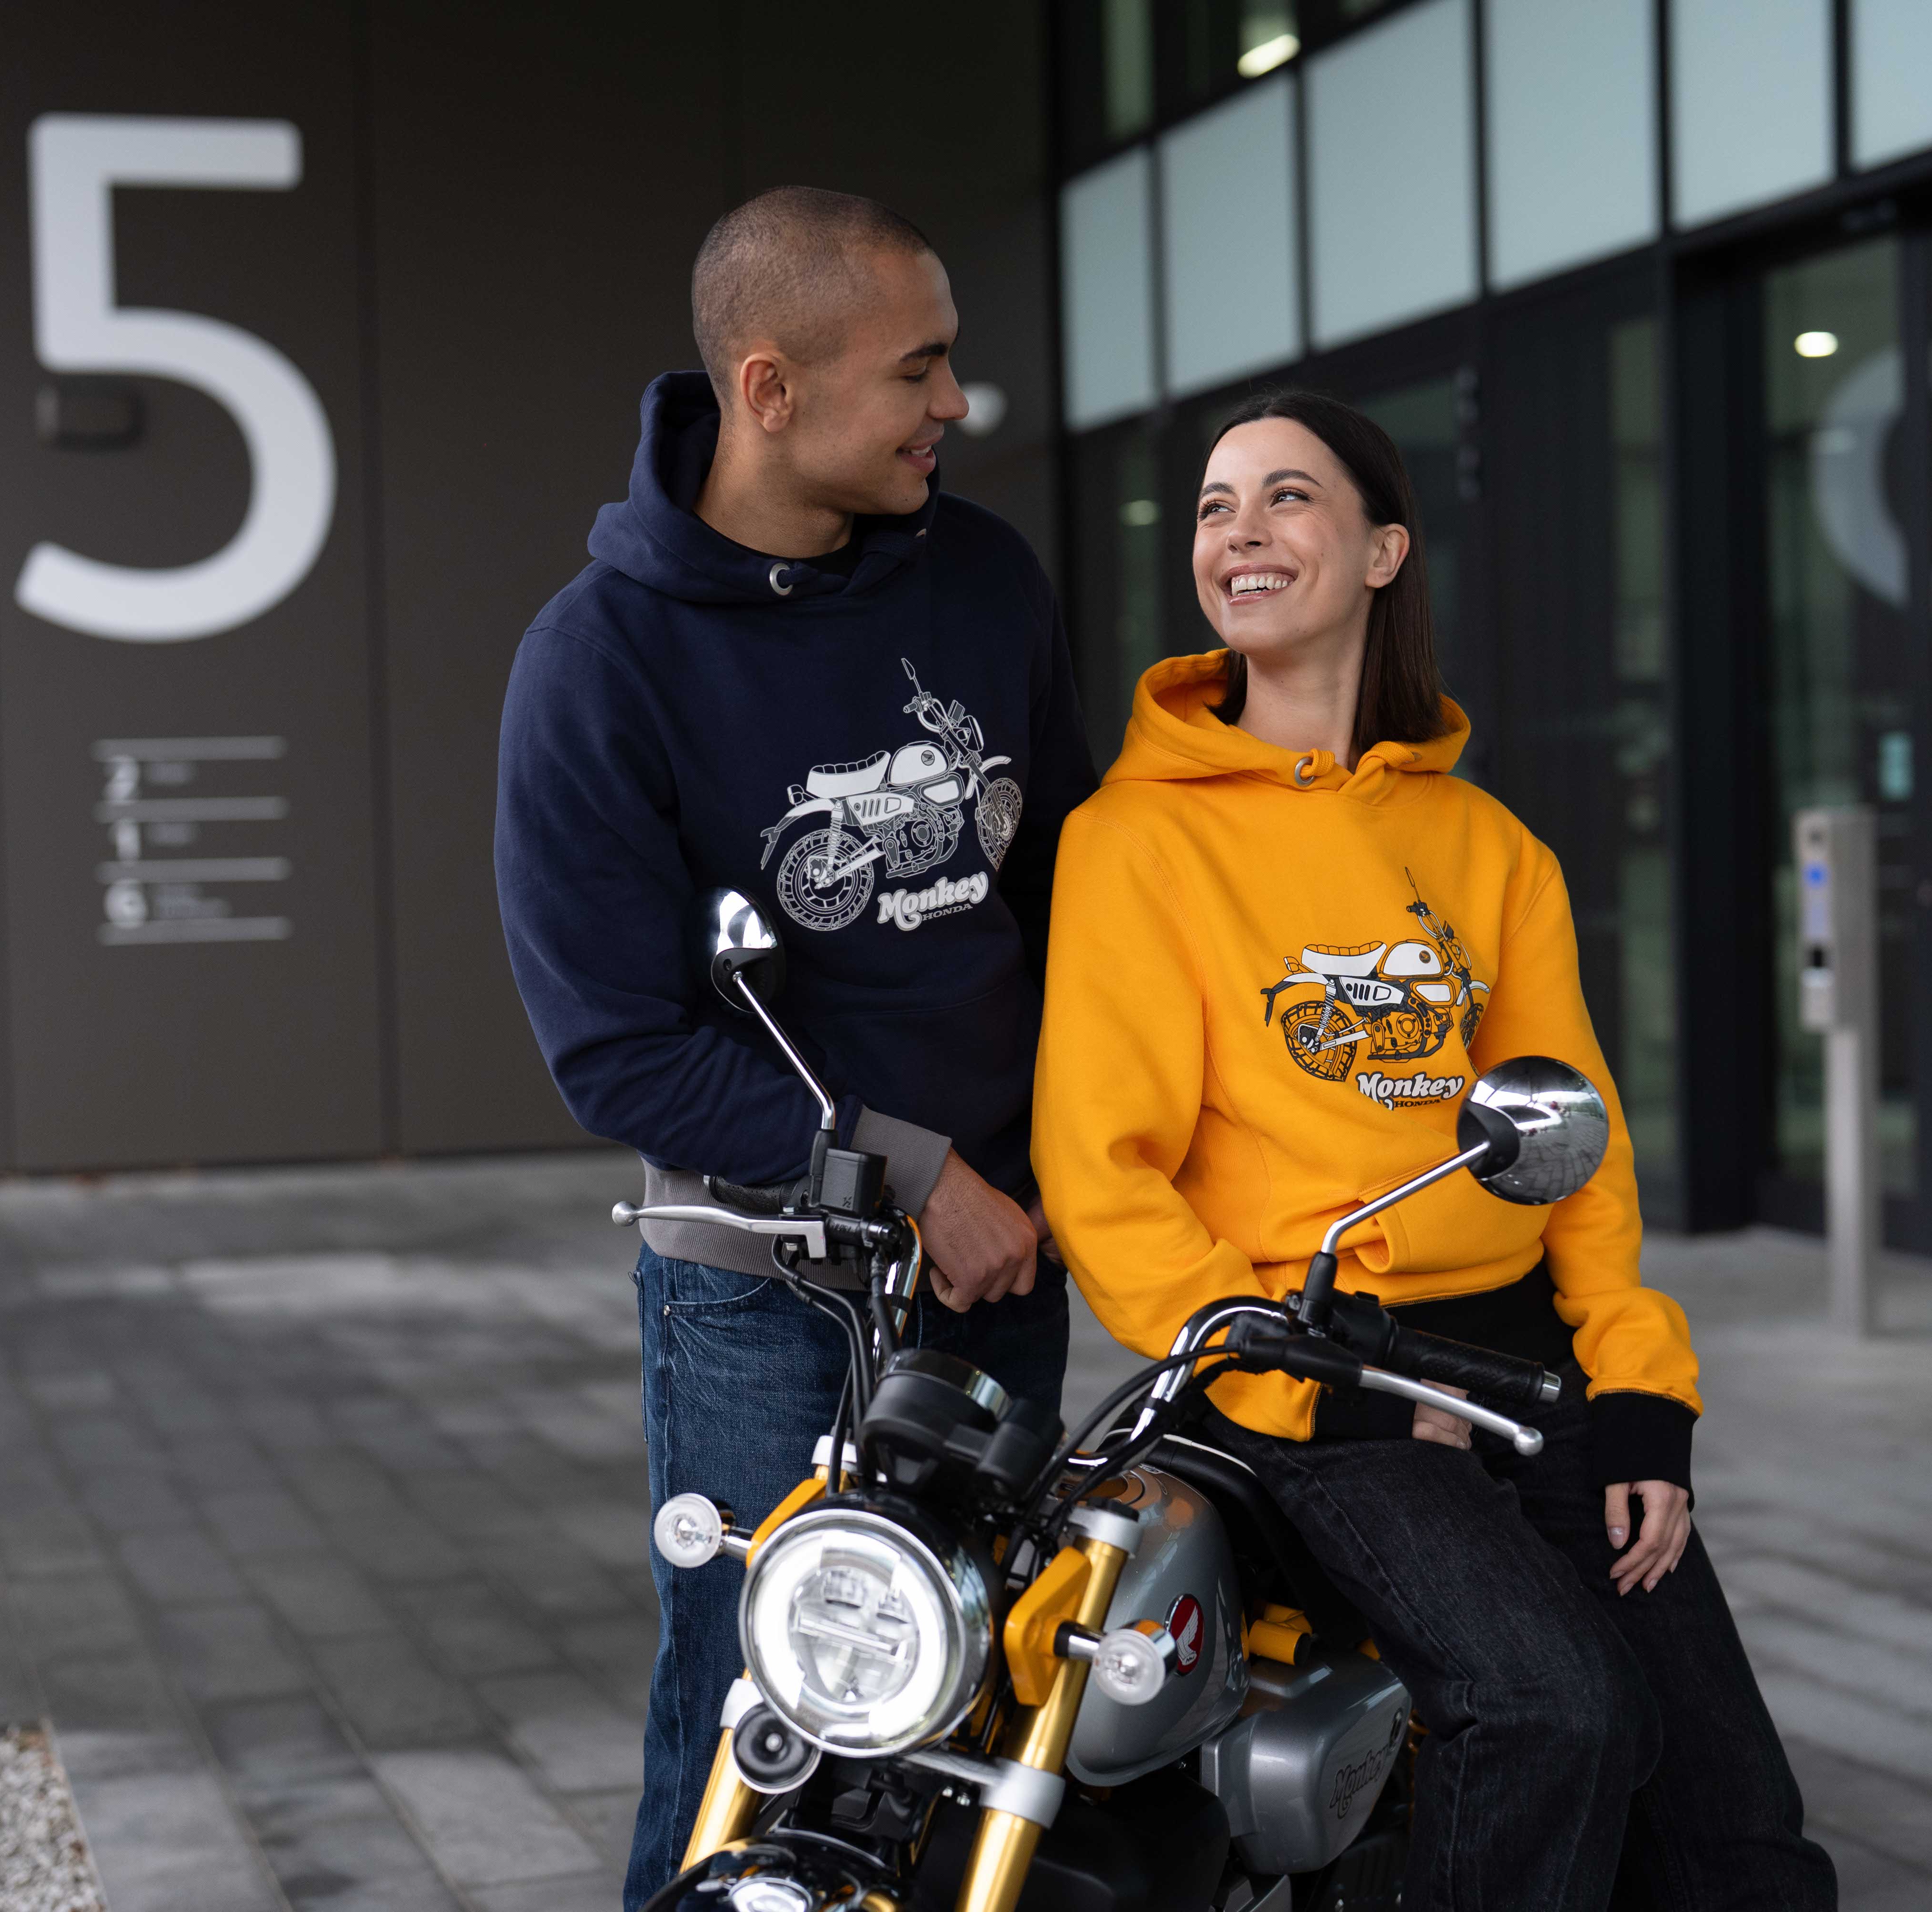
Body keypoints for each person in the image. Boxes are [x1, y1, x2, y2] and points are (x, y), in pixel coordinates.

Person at [1033, 390, 1834, 1909]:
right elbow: (1104, 1173)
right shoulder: (1134, 839)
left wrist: (1640, 1393)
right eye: (1214, 507)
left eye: (1286, 497)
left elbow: (1572, 1140)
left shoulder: (1487, 845)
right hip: (1309, 1374)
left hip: (1526, 1370)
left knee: (1743, 1841)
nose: (1239, 533)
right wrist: (1306, 1380)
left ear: (1384, 550)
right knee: (1556, 1712)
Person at [495, 186, 1095, 1907]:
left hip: (1001, 1269)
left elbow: (1072, 895)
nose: (954, 403)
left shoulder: (982, 577)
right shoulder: (597, 663)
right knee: (755, 1735)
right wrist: (919, 1175)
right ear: (770, 389)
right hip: (768, 1303)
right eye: (919, 369)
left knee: (969, 1734)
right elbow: (620, 1054)